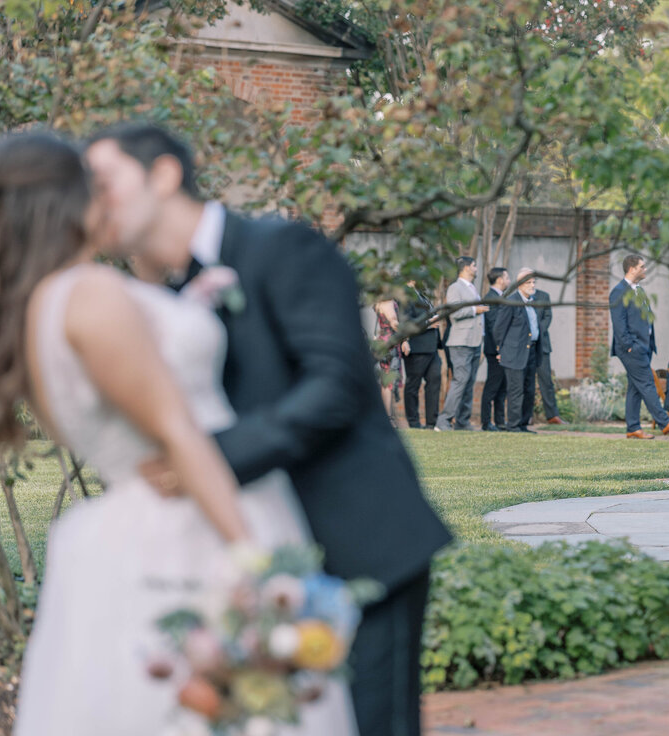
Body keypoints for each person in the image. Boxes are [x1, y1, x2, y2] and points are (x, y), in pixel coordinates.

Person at [84, 124, 451, 735]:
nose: (96, 204)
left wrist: (206, 459)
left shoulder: (283, 248)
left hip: (358, 544)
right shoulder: (165, 294)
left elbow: (336, 388)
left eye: (105, 184)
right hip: (258, 561)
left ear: (164, 176)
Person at [609, 255, 669, 440]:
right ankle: (664, 422)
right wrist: (630, 346)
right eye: (642, 267)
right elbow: (619, 324)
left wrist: (647, 345)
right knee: (647, 383)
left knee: (635, 388)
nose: (645, 270)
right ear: (632, 268)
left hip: (645, 347)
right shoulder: (618, 292)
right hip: (631, 349)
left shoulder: (640, 291)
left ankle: (633, 428)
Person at [435, 256, 488, 432]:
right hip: (460, 342)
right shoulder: (455, 288)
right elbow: (454, 313)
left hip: (474, 342)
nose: (476, 267)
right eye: (474, 265)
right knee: (460, 380)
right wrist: (476, 309)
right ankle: (443, 421)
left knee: (469, 381)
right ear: (465, 268)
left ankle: (462, 421)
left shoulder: (472, 288)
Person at [494, 268, 541, 433]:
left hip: (532, 352)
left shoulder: (532, 301)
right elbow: (499, 328)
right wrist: (500, 349)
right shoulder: (511, 301)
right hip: (514, 353)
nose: (532, 285)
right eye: (528, 282)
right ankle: (513, 425)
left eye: (534, 282)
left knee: (529, 390)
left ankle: (523, 424)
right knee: (516, 390)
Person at [399, 280, 441, 429]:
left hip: (432, 348)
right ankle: (414, 422)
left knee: (435, 381)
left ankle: (431, 423)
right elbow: (406, 323)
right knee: (413, 385)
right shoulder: (405, 295)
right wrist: (428, 323)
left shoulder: (422, 295)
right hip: (416, 348)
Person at [480, 267, 509, 431]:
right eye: (507, 277)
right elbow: (493, 326)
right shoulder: (491, 298)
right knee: (492, 386)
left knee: (502, 387)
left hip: (503, 349)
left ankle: (500, 421)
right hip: (495, 349)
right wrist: (499, 348)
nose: (509, 280)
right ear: (499, 279)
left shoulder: (500, 297)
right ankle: (486, 422)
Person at [532, 286, 566, 425]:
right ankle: (526, 416)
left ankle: (552, 416)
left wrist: (536, 331)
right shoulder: (516, 298)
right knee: (524, 382)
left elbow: (547, 316)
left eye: (533, 281)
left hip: (542, 345)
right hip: (523, 346)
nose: (532, 284)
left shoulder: (543, 296)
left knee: (546, 380)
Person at [373, 298, 403, 423]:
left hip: (384, 341)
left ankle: (388, 416)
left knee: (387, 380)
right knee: (389, 381)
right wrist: (405, 336)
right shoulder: (387, 302)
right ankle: (388, 417)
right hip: (390, 342)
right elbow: (393, 322)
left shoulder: (379, 302)